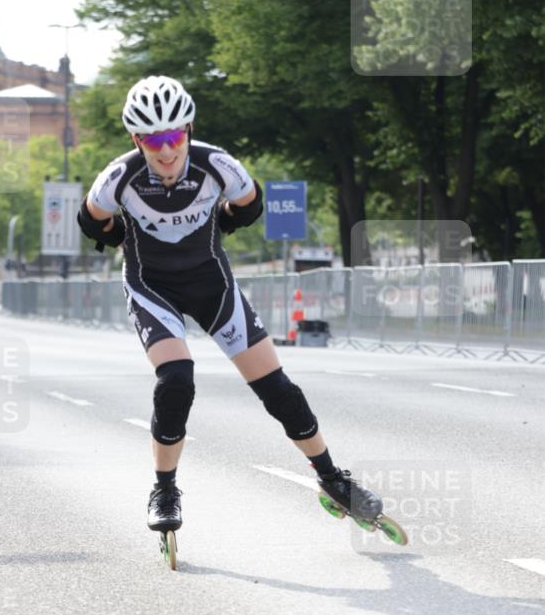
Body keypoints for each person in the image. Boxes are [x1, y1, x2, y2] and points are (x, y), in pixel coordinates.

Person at [77, 76, 382, 532]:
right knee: (177, 379)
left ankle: (332, 478)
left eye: (174, 136)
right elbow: (91, 220)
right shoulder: (118, 177)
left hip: (212, 284)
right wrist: (121, 238)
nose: (165, 150)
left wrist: (221, 223)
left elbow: (249, 205)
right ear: (135, 139)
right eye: (152, 140)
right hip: (151, 286)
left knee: (277, 388)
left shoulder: (217, 165)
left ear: (189, 129)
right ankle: (164, 488)